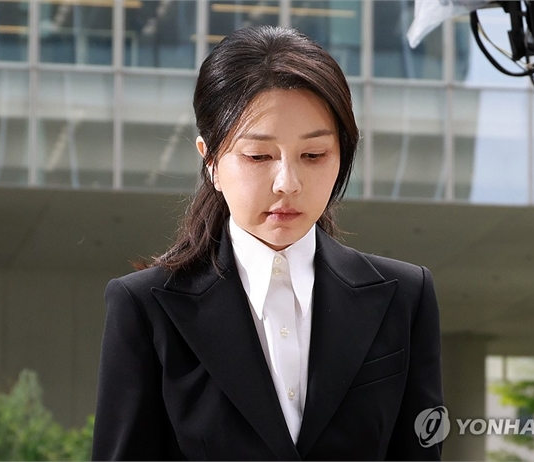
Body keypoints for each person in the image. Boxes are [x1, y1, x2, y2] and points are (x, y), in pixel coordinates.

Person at [91, 25, 443, 461]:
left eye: (313, 155)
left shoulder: (405, 296)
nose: (287, 183)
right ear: (211, 160)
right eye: (259, 156)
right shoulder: (145, 307)